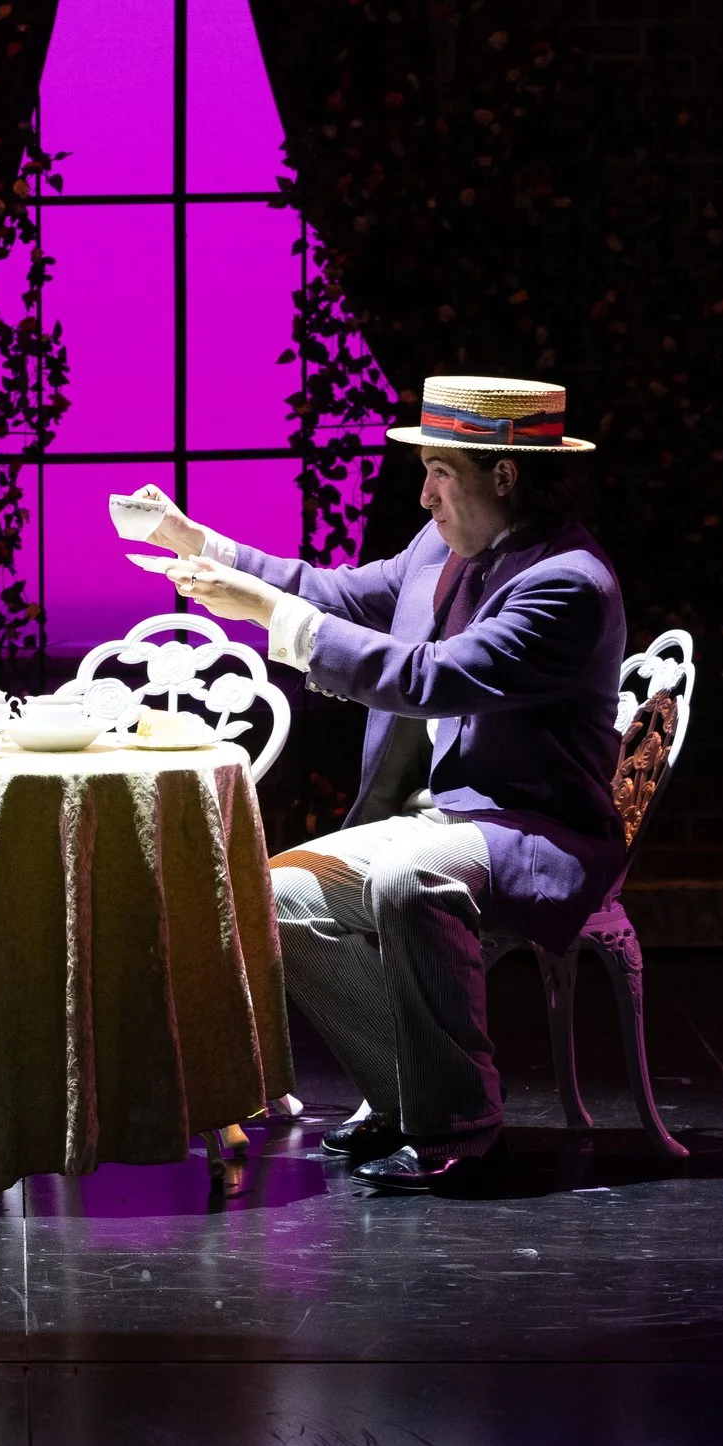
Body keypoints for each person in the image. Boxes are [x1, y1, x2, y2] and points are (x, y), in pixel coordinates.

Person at [140, 376, 624, 1193]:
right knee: (274, 895)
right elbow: (339, 593)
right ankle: (413, 1096)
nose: (424, 494)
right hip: (440, 816)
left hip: (534, 827)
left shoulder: (567, 582)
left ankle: (464, 1132)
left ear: (504, 476)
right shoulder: (442, 544)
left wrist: (270, 616)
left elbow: (431, 677)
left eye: (439, 471)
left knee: (409, 876)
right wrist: (204, 546)